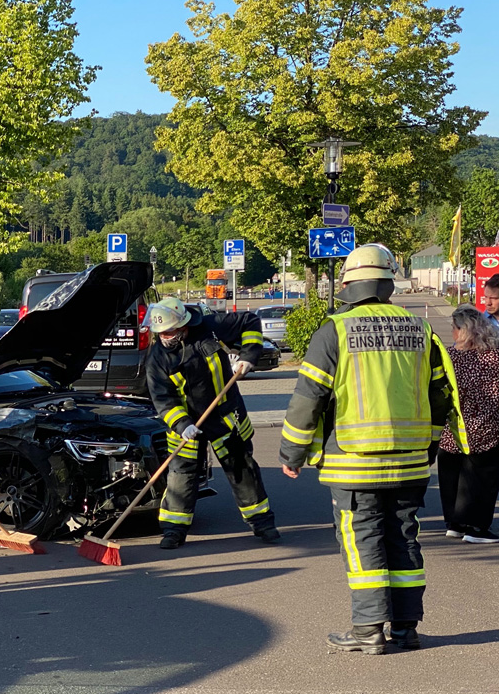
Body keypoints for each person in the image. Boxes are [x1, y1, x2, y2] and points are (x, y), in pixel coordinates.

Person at [279, 243, 459, 654]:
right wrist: (430, 445)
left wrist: (292, 452)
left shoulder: (335, 331)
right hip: (410, 462)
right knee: (404, 539)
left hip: (354, 462)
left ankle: (368, 630)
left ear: (348, 285)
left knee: (363, 541)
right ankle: (406, 629)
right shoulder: (420, 329)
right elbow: (440, 395)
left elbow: (309, 398)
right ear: (389, 283)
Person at [143, 296, 280, 549]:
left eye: (169, 332)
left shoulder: (210, 326)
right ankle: (173, 530)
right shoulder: (157, 359)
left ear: (183, 325)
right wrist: (182, 425)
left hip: (225, 416)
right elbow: (163, 399)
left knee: (241, 469)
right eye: (160, 333)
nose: (164, 337)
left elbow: (250, 321)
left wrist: (248, 355)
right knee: (181, 476)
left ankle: (263, 523)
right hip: (187, 424)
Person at [438, 305, 499, 543]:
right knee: (482, 479)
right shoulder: (492, 356)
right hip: (485, 427)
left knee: (452, 476)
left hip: (452, 428)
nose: (452, 332)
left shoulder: (448, 356)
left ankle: (455, 523)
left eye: (454, 327)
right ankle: (476, 528)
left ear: (464, 330)